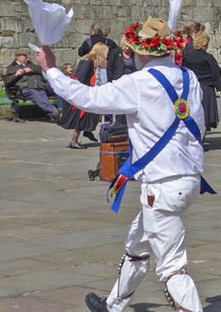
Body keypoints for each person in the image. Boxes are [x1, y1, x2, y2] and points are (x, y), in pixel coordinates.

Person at [38, 17, 210, 312]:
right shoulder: (188, 78)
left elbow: (88, 97)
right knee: (137, 244)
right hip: (189, 178)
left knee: (172, 269)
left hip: (162, 185)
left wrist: (50, 70)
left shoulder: (138, 83)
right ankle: (113, 305)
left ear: (143, 51)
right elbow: (201, 126)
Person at [57, 43, 109, 148]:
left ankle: (82, 134)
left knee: (87, 118)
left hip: (84, 92)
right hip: (83, 93)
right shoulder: (88, 62)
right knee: (81, 120)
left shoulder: (88, 60)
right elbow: (81, 78)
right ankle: (74, 141)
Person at [3, 49, 60, 121]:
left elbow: (40, 70)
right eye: (23, 56)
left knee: (56, 90)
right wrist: (16, 74)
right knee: (36, 94)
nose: (25, 57)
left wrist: (32, 69)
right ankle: (53, 111)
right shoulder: (12, 67)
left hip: (39, 87)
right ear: (17, 57)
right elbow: (7, 81)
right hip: (24, 89)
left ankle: (57, 113)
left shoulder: (30, 64)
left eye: (26, 56)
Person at [182, 33, 221, 137]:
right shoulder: (208, 57)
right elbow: (216, 72)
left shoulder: (187, 56)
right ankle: (201, 142)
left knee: (192, 114)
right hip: (206, 88)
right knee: (204, 117)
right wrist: (217, 87)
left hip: (191, 87)